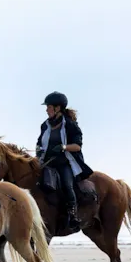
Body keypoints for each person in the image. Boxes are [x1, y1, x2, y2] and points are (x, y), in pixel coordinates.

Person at [36, 91, 94, 231]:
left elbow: (77, 146)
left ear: (57, 108)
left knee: (67, 186)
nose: (46, 110)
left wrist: (63, 147)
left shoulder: (70, 125)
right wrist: (38, 149)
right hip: (47, 162)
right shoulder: (45, 125)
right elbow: (39, 142)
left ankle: (73, 215)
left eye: (49, 107)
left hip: (64, 163)